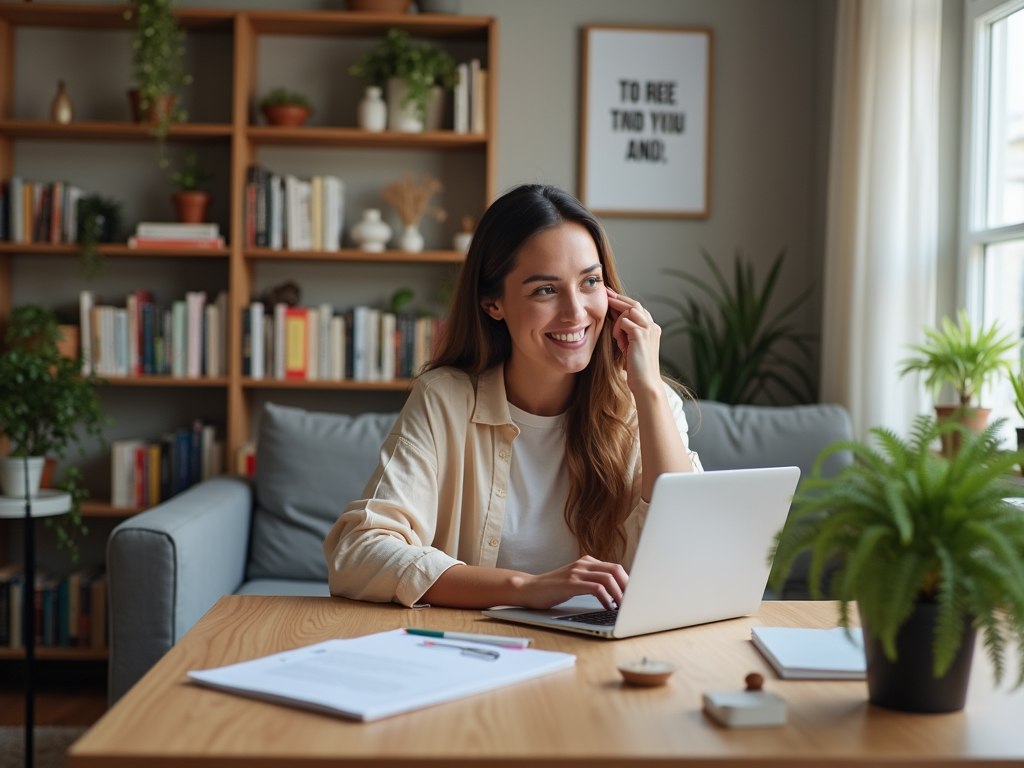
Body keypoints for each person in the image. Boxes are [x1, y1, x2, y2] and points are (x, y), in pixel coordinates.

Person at [323, 184, 702, 610]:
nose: (576, 312)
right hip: (477, 649)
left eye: (590, 282)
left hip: (608, 655)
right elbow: (358, 552)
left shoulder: (649, 403)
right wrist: (525, 588)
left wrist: (649, 389)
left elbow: (688, 558)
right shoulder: (447, 399)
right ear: (493, 303)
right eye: (545, 290)